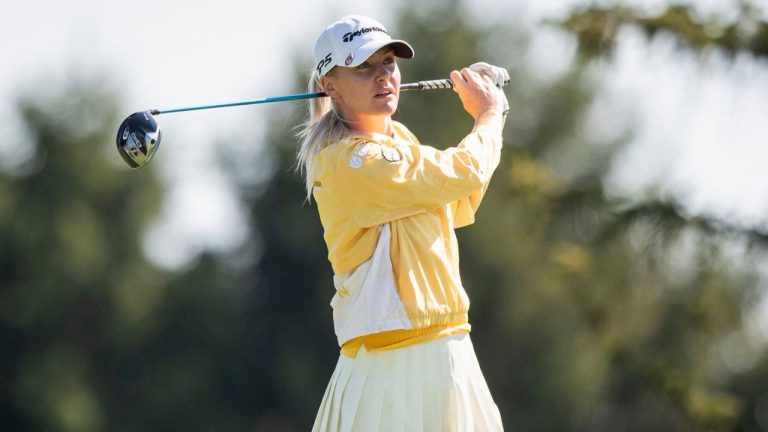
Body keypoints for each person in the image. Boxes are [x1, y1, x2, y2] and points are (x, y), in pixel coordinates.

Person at [297, 14, 508, 432]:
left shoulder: (399, 142)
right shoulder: (350, 160)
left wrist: (490, 118)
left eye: (389, 63)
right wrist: (489, 116)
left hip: (447, 353)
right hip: (388, 368)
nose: (383, 77)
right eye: (363, 67)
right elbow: (462, 173)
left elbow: (458, 199)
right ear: (330, 85)